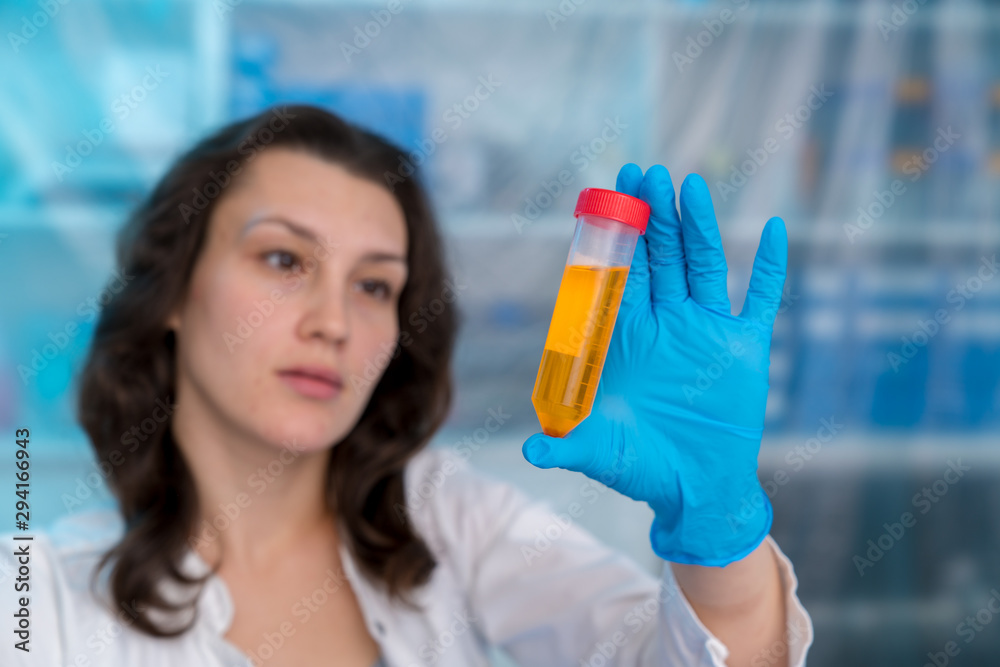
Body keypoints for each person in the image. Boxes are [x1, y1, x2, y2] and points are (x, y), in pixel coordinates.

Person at [0, 104, 812, 666]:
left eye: (376, 285)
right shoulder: (34, 597)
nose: (335, 322)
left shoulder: (446, 520)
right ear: (173, 289)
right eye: (284, 259)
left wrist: (721, 534)